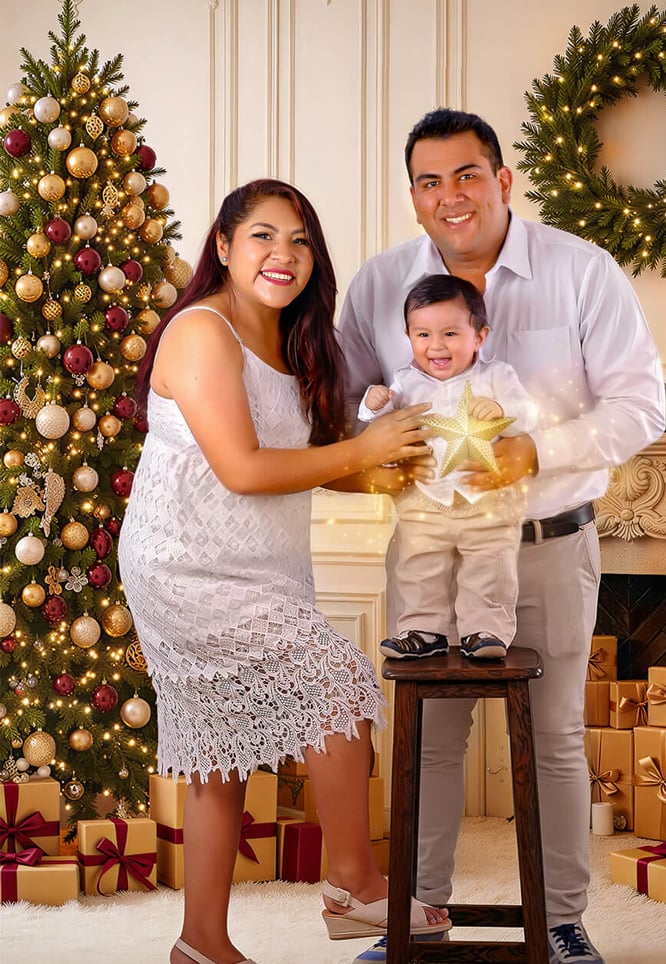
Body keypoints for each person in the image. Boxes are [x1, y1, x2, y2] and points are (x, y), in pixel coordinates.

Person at [338, 110, 666, 964]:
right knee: (428, 740)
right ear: (412, 196)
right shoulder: (376, 287)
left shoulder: (581, 271)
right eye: (429, 181)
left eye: (468, 175)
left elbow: (640, 405)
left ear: (503, 178)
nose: (451, 196)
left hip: (550, 543)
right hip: (429, 549)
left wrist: (536, 448)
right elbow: (335, 400)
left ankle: (560, 920)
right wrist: (370, 445)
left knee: (555, 734)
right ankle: (417, 913)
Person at [118, 178, 451, 964]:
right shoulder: (201, 332)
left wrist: (383, 465)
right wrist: (360, 451)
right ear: (225, 248)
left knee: (218, 753)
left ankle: (201, 944)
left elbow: (311, 460)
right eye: (263, 236)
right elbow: (240, 466)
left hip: (261, 564)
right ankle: (351, 879)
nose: (284, 254)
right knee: (335, 680)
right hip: (185, 566)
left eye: (300, 240)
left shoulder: (297, 340)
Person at [358, 273, 538, 661]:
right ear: (408, 337)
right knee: (418, 565)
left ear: (480, 336)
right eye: (422, 335)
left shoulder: (497, 377)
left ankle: (486, 628)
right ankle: (422, 629)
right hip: (424, 497)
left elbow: (529, 414)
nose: (435, 346)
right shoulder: (406, 382)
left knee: (490, 563)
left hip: (485, 496)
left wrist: (504, 411)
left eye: (451, 334)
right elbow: (383, 424)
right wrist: (374, 403)